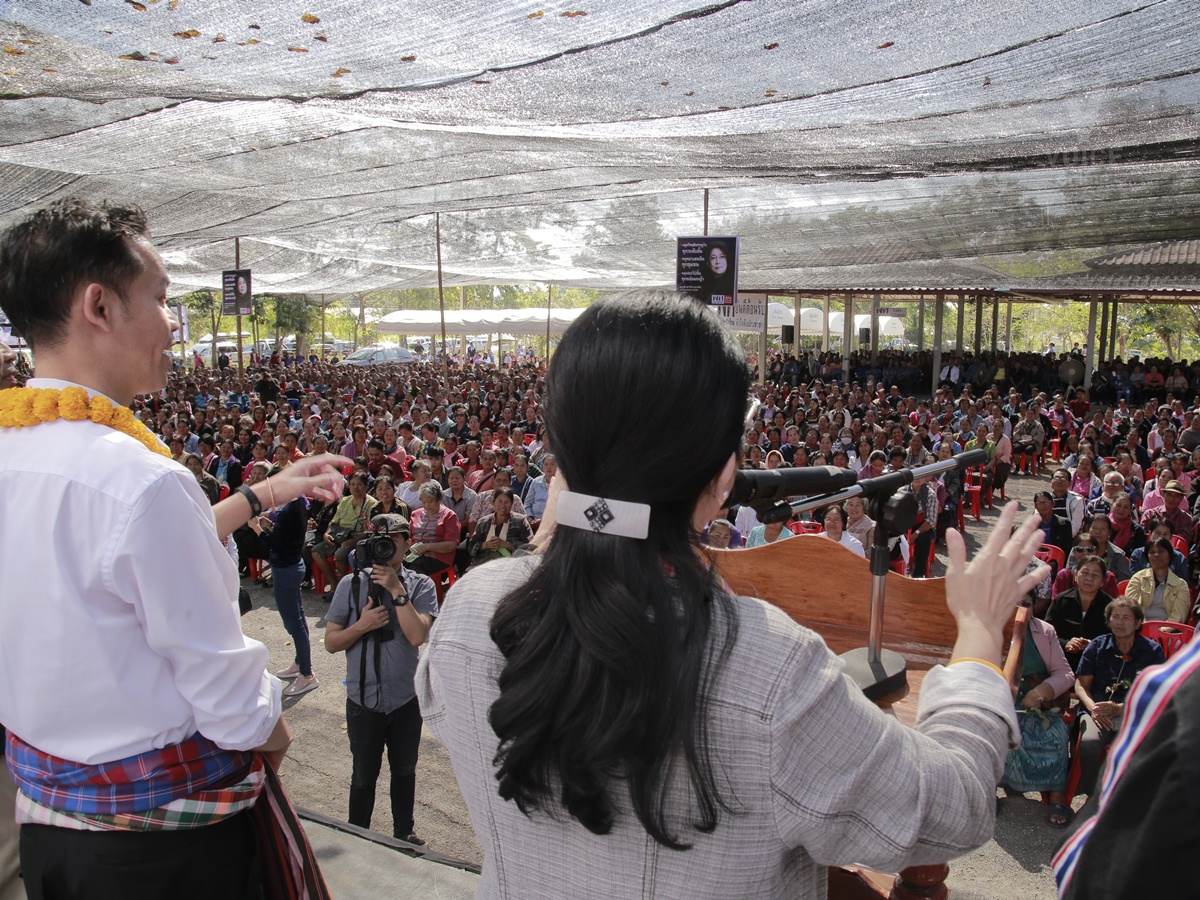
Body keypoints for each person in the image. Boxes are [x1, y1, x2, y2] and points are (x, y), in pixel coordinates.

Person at [415, 291, 1046, 899]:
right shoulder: (769, 670)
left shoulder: (473, 611)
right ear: (722, 476)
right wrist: (979, 635)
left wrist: (571, 527)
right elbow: (951, 809)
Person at [0, 198, 343, 897]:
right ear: (98, 305)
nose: (171, 324)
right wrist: (270, 734)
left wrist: (264, 493)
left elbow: (107, 565)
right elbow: (230, 704)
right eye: (159, 298)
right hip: (165, 859)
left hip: (49, 833)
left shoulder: (19, 448)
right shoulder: (138, 480)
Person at [324, 514, 438, 845]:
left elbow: (417, 635)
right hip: (364, 700)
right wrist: (361, 626)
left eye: (395, 540)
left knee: (404, 771)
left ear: (407, 542)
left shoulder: (421, 584)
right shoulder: (350, 584)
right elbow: (331, 643)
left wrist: (396, 589)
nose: (388, 548)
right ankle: (356, 835)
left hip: (405, 699)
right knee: (363, 776)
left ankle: (403, 832)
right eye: (381, 541)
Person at [1071, 597, 1165, 800]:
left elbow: (1156, 693)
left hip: (1133, 713)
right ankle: (1095, 796)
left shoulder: (1152, 651)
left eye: (1126, 618)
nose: (1120, 622)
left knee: (1139, 746)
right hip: (1096, 710)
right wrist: (1093, 708)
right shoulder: (1097, 646)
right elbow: (1081, 685)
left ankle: (1126, 799)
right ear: (1109, 620)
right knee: (1088, 743)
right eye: (1115, 617)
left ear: (1138, 622)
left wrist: (1121, 709)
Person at [248, 489, 319, 696]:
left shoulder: (290, 509)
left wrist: (257, 529)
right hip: (291, 566)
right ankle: (300, 663)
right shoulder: (297, 505)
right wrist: (269, 525)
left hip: (286, 569)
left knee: (294, 624)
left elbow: (276, 545)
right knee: (298, 619)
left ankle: (307, 675)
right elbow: (285, 536)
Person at [1045, 556, 1115, 672]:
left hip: (1096, 663)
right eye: (1085, 573)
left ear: (1103, 581)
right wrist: (1066, 643)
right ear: (1076, 576)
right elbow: (1048, 631)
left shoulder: (1110, 606)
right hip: (1062, 660)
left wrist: (1091, 644)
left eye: (1095, 575)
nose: (1089, 578)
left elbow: (1113, 638)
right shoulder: (1062, 599)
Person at [1123, 536, 1191, 624]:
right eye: (1152, 552)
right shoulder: (1137, 579)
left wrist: (1161, 631)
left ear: (1170, 555)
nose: (1156, 555)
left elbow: (1179, 615)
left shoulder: (1181, 585)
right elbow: (1132, 609)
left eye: (1161, 551)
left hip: (1169, 631)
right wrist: (1146, 630)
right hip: (1141, 628)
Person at [468, 486, 532, 567]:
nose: (503, 505)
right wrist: (485, 545)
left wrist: (506, 545)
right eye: (500, 501)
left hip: (512, 566)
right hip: (485, 565)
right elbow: (471, 547)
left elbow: (530, 547)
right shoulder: (483, 522)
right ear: (493, 502)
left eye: (507, 502)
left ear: (512, 504)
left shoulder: (520, 521)